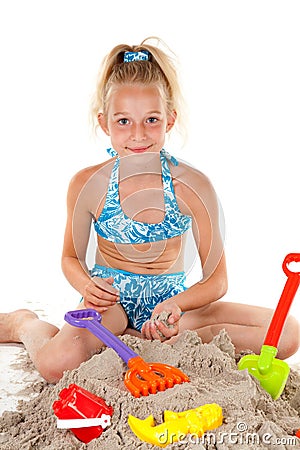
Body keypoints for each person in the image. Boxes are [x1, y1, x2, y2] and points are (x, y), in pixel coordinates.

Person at [0, 38, 299, 383]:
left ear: (170, 120)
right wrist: (88, 285)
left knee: (287, 333)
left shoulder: (193, 186)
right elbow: (70, 257)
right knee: (56, 364)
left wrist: (177, 306)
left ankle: (151, 342)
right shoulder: (88, 184)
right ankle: (23, 323)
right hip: (110, 304)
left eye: (151, 120)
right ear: (104, 122)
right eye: (124, 121)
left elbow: (218, 281)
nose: (138, 134)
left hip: (173, 308)